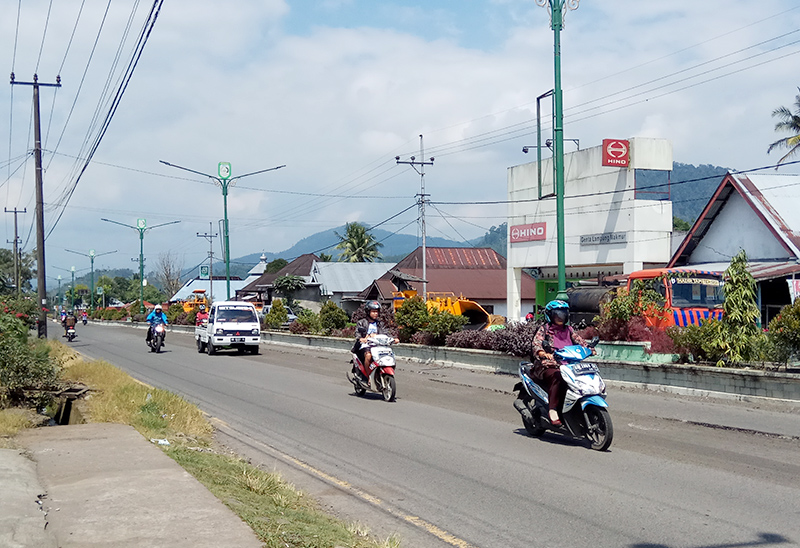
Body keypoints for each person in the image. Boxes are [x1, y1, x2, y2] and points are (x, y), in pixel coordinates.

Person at [530, 300, 592, 427]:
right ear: (550, 315)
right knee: (558, 377)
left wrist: (589, 348)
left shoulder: (569, 329)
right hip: (548, 365)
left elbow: (580, 341)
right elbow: (536, 344)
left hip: (569, 364)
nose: (560, 317)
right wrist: (542, 352)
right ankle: (552, 410)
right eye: (557, 314)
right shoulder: (544, 329)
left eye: (563, 314)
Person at [351, 301, 398, 384]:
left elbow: (386, 333)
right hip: (365, 345)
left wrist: (393, 339)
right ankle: (369, 377)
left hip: (378, 345)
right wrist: (361, 338)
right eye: (373, 311)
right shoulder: (362, 322)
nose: (375, 314)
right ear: (368, 312)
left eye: (376, 312)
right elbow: (358, 333)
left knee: (389, 355)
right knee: (368, 356)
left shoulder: (380, 323)